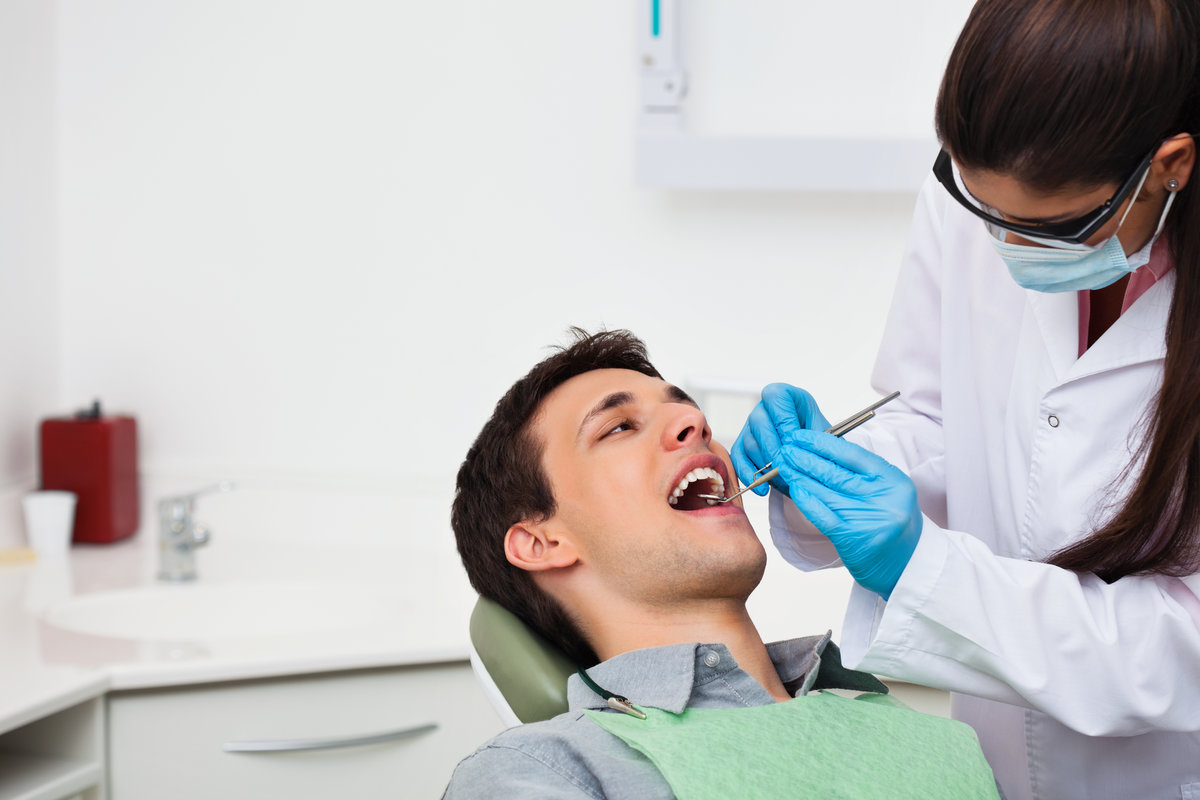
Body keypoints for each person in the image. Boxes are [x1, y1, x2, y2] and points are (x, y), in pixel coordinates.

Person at [731, 2, 1200, 798]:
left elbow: (1183, 648)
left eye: (1048, 228)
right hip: (989, 766)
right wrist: (833, 476)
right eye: (987, 215)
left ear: (1171, 165)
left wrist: (928, 571)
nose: (1007, 250)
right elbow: (942, 419)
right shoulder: (971, 188)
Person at [444, 328, 999, 799]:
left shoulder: (933, 739)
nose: (694, 422)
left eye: (685, 407)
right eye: (618, 427)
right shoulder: (538, 773)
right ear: (541, 543)